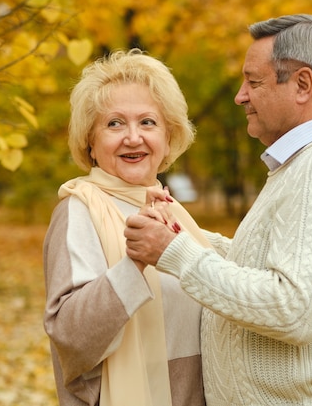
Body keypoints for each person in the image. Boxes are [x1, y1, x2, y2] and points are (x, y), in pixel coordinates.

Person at [125, 14, 312, 405]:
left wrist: (175, 253)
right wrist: (189, 237)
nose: (240, 95)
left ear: (302, 85)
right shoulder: (310, 161)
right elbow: (273, 264)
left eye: (254, 82)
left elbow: (291, 308)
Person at [42, 48, 209, 406]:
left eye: (147, 122)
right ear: (90, 140)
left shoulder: (173, 211)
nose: (133, 137)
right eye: (114, 124)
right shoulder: (79, 210)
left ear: (168, 136)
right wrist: (135, 262)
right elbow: (70, 334)